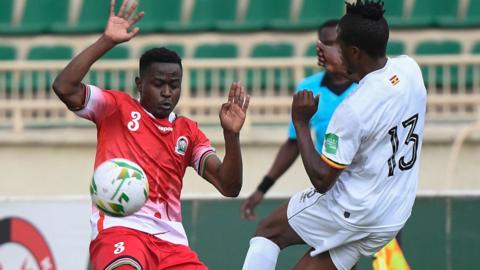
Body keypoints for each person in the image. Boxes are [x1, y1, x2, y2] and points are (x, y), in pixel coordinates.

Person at [52, 0, 250, 269]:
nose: (167, 92)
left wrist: (231, 136)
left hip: (171, 241)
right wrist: (106, 41)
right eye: (158, 84)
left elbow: (230, 186)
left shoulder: (188, 132)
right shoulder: (115, 108)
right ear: (140, 84)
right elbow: (64, 87)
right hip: (120, 228)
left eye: (174, 85)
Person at [241, 1, 426, 269]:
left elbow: (322, 180)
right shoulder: (410, 70)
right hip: (392, 216)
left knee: (268, 231)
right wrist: (347, 68)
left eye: (339, 45)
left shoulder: (351, 111)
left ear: (353, 51)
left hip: (353, 211)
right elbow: (378, 86)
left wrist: (301, 122)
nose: (334, 50)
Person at [240, 19, 356, 221]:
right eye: (326, 43)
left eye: (338, 43)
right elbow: (294, 142)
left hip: (369, 183)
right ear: (319, 48)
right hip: (331, 187)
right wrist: (262, 188)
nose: (332, 49)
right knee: (272, 233)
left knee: (388, 251)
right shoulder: (308, 87)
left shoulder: (367, 83)